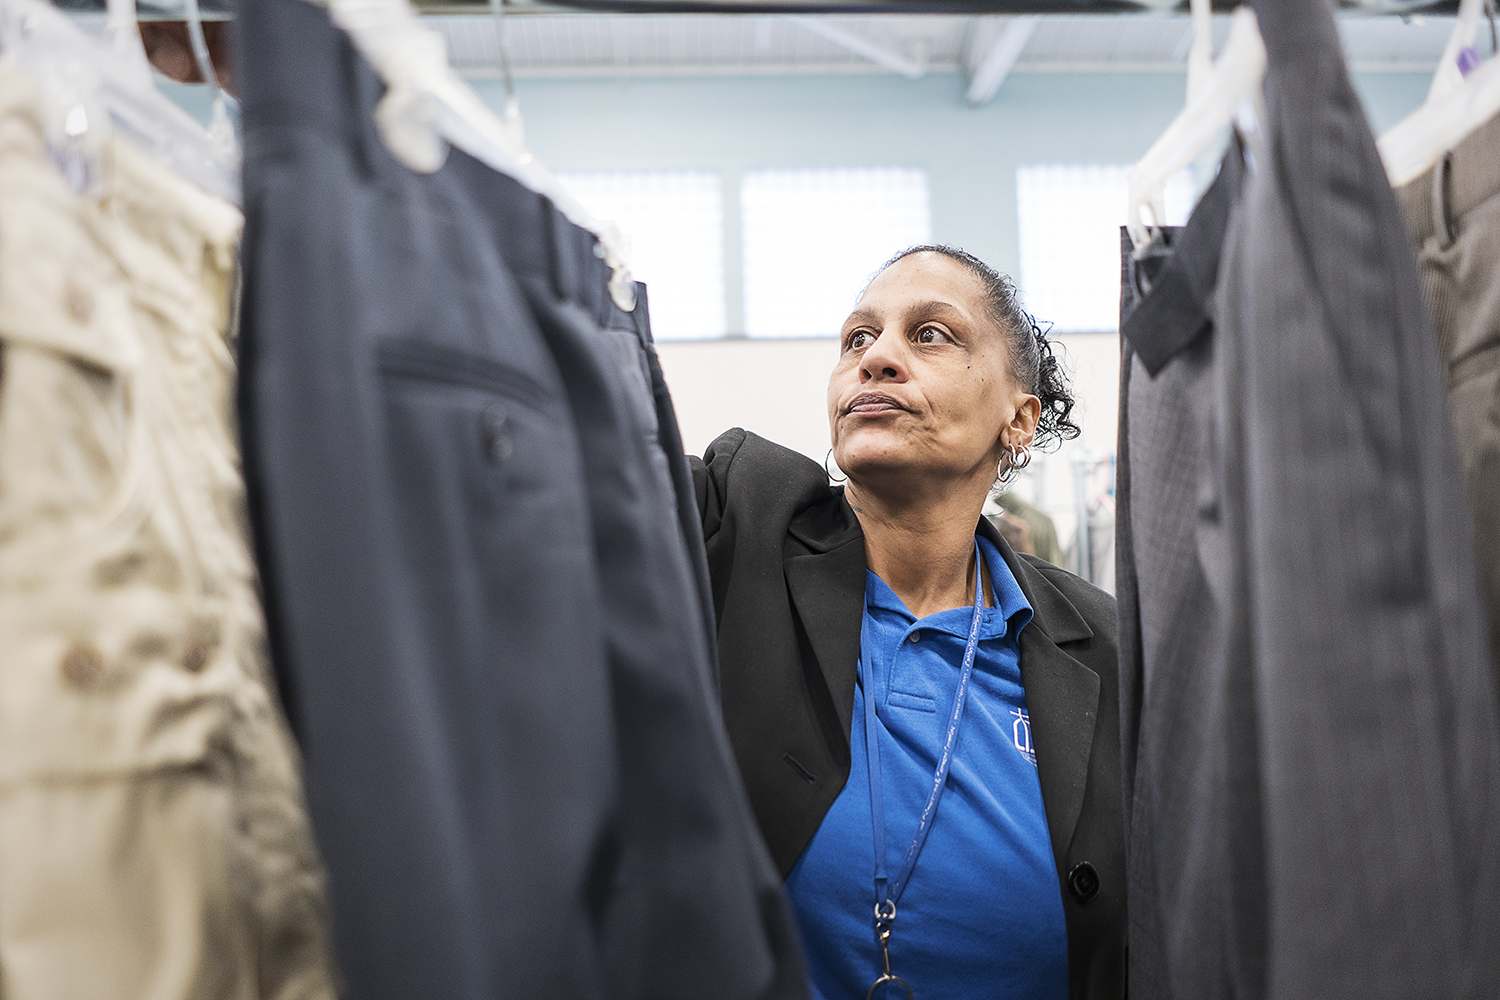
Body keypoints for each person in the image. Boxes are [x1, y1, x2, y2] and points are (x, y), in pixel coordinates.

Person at [691, 246, 1123, 999]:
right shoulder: (740, 530)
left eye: (930, 335)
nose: (877, 357)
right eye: (858, 338)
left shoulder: (1102, 645)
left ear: (1018, 420)